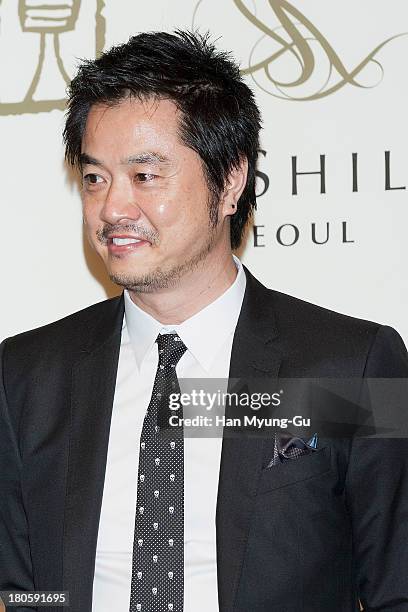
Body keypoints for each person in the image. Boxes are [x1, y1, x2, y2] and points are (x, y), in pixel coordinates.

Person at [1, 30, 407, 612]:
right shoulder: (25, 376)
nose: (113, 208)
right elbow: (23, 593)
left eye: (146, 176)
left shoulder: (355, 367)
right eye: (95, 178)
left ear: (231, 181)